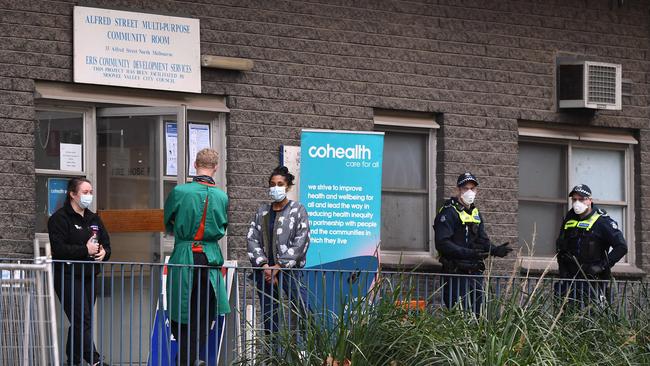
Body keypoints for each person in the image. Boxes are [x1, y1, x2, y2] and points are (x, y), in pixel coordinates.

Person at [164, 148, 230, 366]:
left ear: (195, 164)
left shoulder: (181, 192)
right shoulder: (222, 196)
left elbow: (168, 222)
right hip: (209, 258)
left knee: (179, 309)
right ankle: (190, 358)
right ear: (216, 168)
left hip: (184, 255)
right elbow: (222, 226)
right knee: (204, 314)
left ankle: (185, 358)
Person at [48, 178, 111, 366]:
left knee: (83, 319)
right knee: (81, 317)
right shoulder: (59, 219)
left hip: (89, 275)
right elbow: (58, 249)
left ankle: (73, 361)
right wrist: (85, 250)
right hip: (68, 275)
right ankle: (93, 359)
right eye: (85, 192)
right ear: (72, 194)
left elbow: (106, 243)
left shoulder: (94, 218)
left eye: (90, 191)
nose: (89, 196)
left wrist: (103, 252)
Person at [434, 172, 512, 313]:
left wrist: (494, 250)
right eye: (465, 188)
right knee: (458, 314)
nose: (469, 192)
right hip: (455, 273)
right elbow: (442, 243)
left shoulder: (475, 214)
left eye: (473, 188)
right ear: (458, 190)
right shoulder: (448, 212)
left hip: (475, 274)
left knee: (478, 314)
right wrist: (469, 253)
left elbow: (482, 240)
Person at [246, 166, 310, 336]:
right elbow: (252, 239)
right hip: (266, 273)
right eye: (273, 184)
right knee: (270, 316)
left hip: (290, 272)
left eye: (280, 184)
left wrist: (279, 266)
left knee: (304, 309)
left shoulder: (297, 210)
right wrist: (265, 265)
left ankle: (307, 351)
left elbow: (301, 241)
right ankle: (272, 354)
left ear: (288, 187)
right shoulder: (263, 211)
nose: (276, 188)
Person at [555, 184, 627, 304]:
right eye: (574, 199)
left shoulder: (602, 221)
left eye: (581, 199)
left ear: (590, 200)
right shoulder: (569, 218)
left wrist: (602, 266)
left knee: (592, 318)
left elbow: (621, 247)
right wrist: (562, 271)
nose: (577, 203)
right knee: (565, 318)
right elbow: (560, 245)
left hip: (593, 281)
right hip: (569, 281)